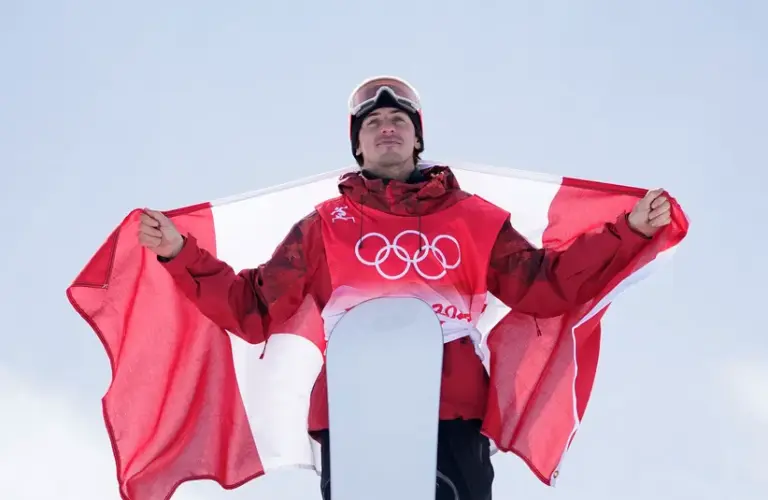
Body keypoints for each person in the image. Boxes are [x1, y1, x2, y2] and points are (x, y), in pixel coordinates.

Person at [137, 76, 672, 500]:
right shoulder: (324, 226)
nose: (386, 128)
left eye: (398, 120)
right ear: (358, 144)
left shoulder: (475, 219)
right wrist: (180, 253)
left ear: (419, 138)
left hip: (452, 412)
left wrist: (629, 231)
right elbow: (253, 309)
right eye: (373, 123)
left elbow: (544, 287)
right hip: (353, 410)